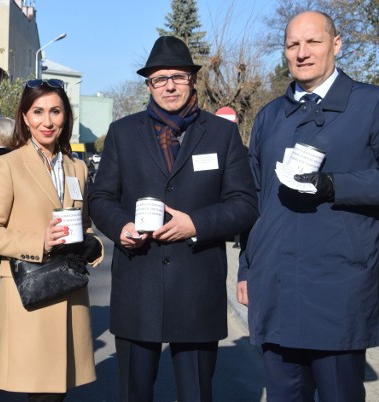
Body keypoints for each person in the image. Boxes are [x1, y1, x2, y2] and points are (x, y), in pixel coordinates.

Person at [88, 36, 258, 402]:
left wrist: (195, 224)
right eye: (159, 78)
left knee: (196, 394)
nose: (169, 85)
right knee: (135, 394)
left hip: (197, 286)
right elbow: (100, 197)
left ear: (192, 80)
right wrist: (120, 227)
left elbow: (245, 203)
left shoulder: (222, 134)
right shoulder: (122, 133)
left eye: (177, 76)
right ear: (148, 85)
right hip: (138, 284)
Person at [237, 11, 379, 401]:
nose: (302, 53)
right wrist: (246, 268)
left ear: (336, 44)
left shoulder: (373, 105)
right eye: (292, 45)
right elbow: (253, 198)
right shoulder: (270, 117)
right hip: (274, 287)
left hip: (337, 290)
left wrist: (333, 185)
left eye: (313, 42)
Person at [0, 78, 104, 402]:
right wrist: (39, 242)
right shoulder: (8, 165)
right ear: (25, 118)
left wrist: (93, 246)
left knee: (57, 391)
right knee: (41, 391)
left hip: (69, 288)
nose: (47, 121)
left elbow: (84, 225)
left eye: (55, 111)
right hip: (29, 289)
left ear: (66, 116)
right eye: (38, 112)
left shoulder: (77, 168)